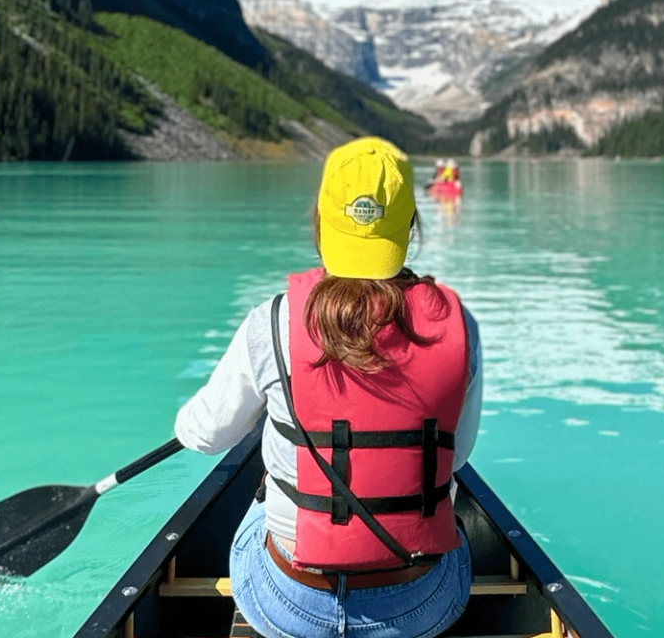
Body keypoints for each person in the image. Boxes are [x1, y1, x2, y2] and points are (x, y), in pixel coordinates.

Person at [175, 138, 481, 638]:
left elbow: (205, 436)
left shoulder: (270, 324)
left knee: (257, 502)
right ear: (408, 227)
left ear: (321, 223)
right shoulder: (459, 326)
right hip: (418, 605)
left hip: (290, 604)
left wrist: (196, 422)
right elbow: (459, 456)